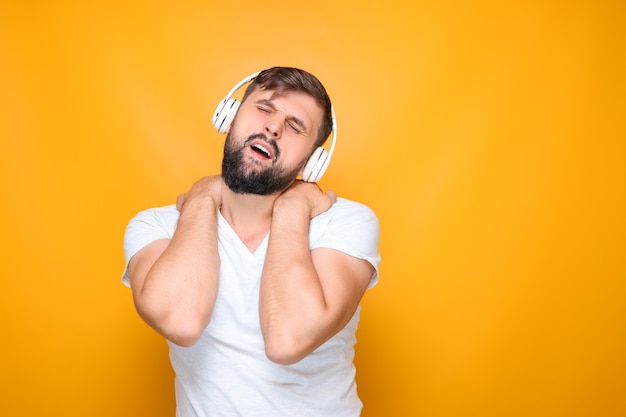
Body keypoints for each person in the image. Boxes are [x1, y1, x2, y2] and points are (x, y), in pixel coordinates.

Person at [122, 66, 381, 416]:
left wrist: (292, 208)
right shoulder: (158, 227)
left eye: (295, 126)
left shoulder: (344, 223)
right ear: (228, 115)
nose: (273, 126)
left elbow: (287, 340)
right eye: (264, 108)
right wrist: (202, 198)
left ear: (313, 162)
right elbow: (181, 321)